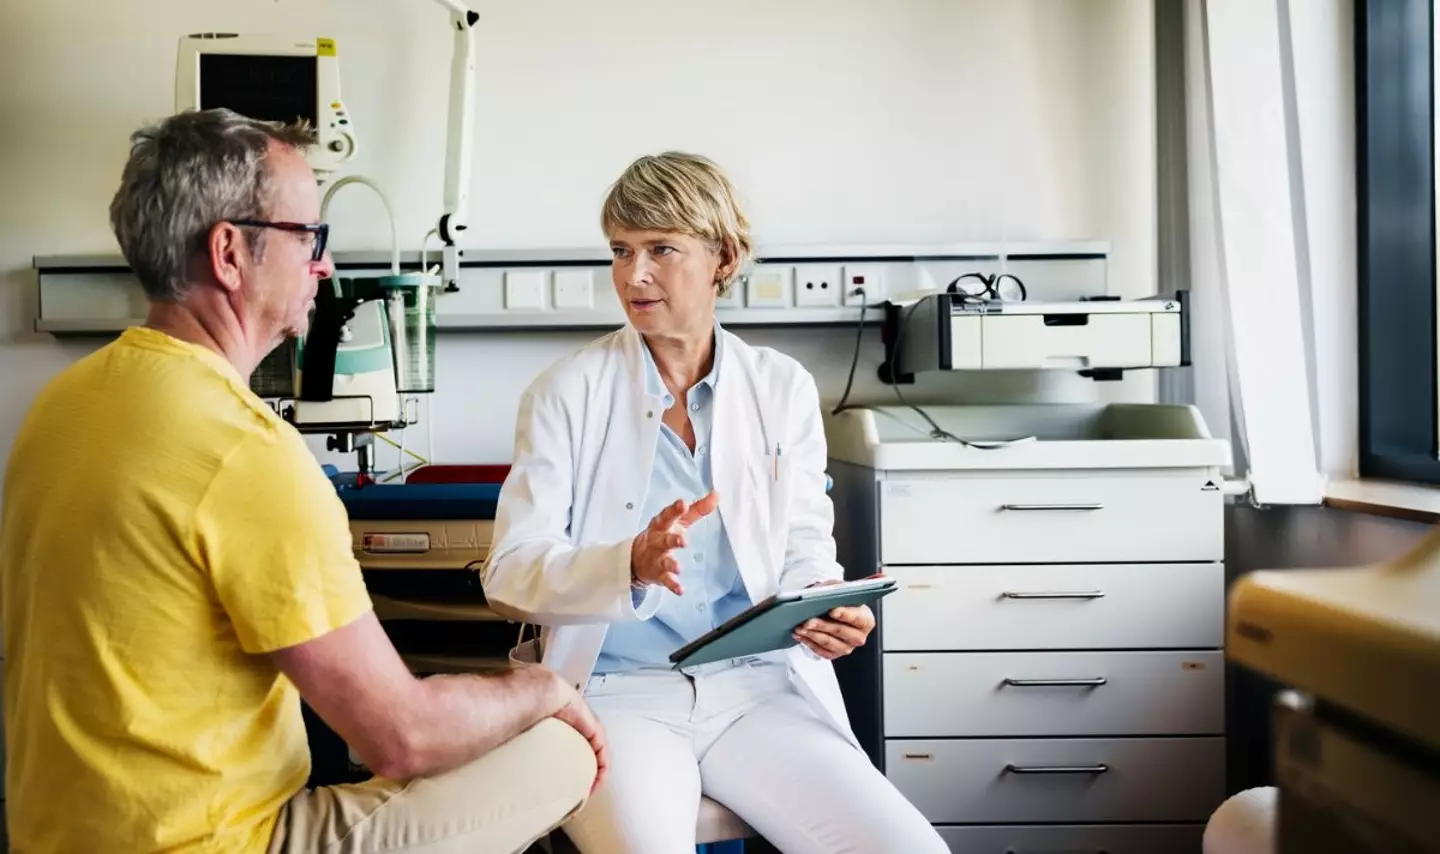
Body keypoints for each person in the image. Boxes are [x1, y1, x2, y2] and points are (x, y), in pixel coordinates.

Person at [0, 108, 606, 854]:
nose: (323, 264)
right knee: (561, 751)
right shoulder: (245, 451)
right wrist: (542, 689)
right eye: (309, 238)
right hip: (214, 844)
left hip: (50, 837)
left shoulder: (62, 405)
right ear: (229, 252)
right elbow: (401, 737)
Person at [481, 151, 948, 854]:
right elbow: (510, 574)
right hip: (619, 693)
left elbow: (802, 544)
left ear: (722, 258)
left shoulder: (780, 388)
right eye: (620, 251)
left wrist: (824, 606)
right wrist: (627, 564)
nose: (632, 275)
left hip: (757, 690)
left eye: (661, 249)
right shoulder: (565, 393)